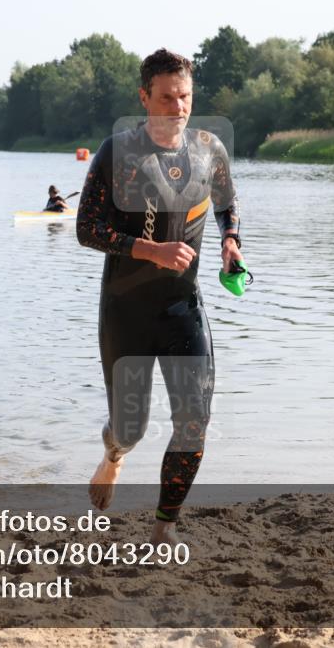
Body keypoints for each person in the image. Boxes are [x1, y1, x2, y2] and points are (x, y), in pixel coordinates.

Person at [76, 48, 242, 545]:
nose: (178, 107)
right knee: (132, 428)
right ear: (144, 97)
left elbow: (228, 204)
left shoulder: (209, 149)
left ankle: (163, 527)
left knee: (194, 422)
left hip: (181, 308)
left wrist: (231, 242)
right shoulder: (117, 152)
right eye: (167, 97)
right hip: (125, 311)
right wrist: (151, 250)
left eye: (186, 96)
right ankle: (114, 456)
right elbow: (87, 229)